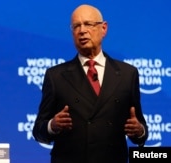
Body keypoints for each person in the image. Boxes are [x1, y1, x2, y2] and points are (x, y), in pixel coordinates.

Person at [32, 4, 148, 163]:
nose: (82, 31)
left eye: (88, 24)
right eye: (76, 26)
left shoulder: (127, 74)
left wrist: (139, 131)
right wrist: (53, 125)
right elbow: (38, 131)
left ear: (104, 28)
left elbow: (141, 131)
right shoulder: (56, 76)